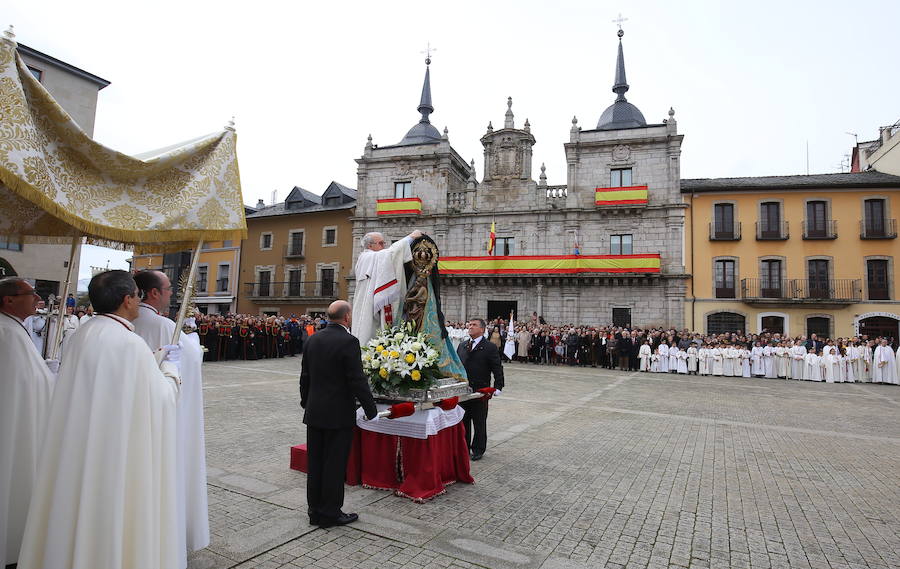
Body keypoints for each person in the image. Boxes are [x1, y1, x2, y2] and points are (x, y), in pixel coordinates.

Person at [18, 270, 182, 569]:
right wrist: (171, 370)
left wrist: (154, 357)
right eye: (137, 296)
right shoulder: (129, 343)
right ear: (127, 300)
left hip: (79, 447)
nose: (139, 301)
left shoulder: (83, 333)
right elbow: (160, 399)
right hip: (113, 452)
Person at [133, 270, 210, 564]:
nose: (171, 294)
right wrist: (193, 340)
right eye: (167, 289)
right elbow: (189, 360)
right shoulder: (165, 326)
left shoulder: (126, 321)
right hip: (161, 412)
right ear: (153, 293)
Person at [299, 300, 377, 528]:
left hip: (315, 411)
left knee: (315, 463)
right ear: (347, 317)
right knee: (334, 464)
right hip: (338, 413)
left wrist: (306, 402)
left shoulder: (313, 339)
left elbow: (305, 376)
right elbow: (356, 379)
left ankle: (314, 510)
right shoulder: (349, 341)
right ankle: (330, 513)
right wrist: (370, 408)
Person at [0, 278, 56, 566]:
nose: (37, 298)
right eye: (30, 293)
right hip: (13, 425)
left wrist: (45, 371)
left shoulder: (14, 327)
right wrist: (49, 380)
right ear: (9, 300)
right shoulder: (6, 332)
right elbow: (18, 383)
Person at [351, 229, 422, 345]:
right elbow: (392, 253)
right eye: (380, 243)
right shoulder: (368, 257)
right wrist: (410, 237)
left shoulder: (369, 258)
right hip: (369, 303)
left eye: (384, 243)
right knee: (369, 332)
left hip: (370, 301)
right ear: (370, 245)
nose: (384, 246)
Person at [457, 318, 505, 461]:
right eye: (469, 324)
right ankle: (464, 447)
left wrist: (498, 386)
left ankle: (478, 449)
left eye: (474, 325)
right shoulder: (462, 345)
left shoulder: (489, 347)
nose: (470, 327)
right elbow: (457, 366)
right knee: (463, 421)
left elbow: (497, 368)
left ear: (482, 329)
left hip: (480, 391)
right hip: (463, 391)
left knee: (479, 422)